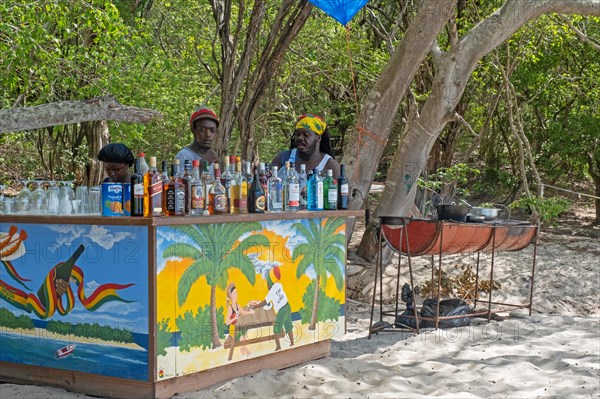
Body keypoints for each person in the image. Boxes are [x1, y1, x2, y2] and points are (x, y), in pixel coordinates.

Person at [272, 114, 340, 179]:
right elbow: (266, 185)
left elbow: (340, 190)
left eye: (306, 135)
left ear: (318, 138)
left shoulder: (330, 166)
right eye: (297, 134)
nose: (300, 138)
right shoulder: (283, 158)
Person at [250, 266, 294, 352]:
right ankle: (292, 342)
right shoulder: (279, 285)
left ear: (269, 283)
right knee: (288, 325)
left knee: (276, 329)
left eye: (267, 283)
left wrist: (255, 306)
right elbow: (274, 297)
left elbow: (265, 302)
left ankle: (278, 347)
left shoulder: (271, 291)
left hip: (282, 310)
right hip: (287, 306)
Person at [224, 282, 253, 357]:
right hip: (233, 331)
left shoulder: (237, 305)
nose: (236, 295)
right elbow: (227, 322)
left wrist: (250, 312)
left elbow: (243, 312)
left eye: (236, 293)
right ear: (230, 297)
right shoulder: (230, 308)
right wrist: (234, 318)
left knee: (244, 336)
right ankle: (248, 353)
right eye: (234, 294)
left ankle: (243, 349)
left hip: (239, 327)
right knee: (242, 338)